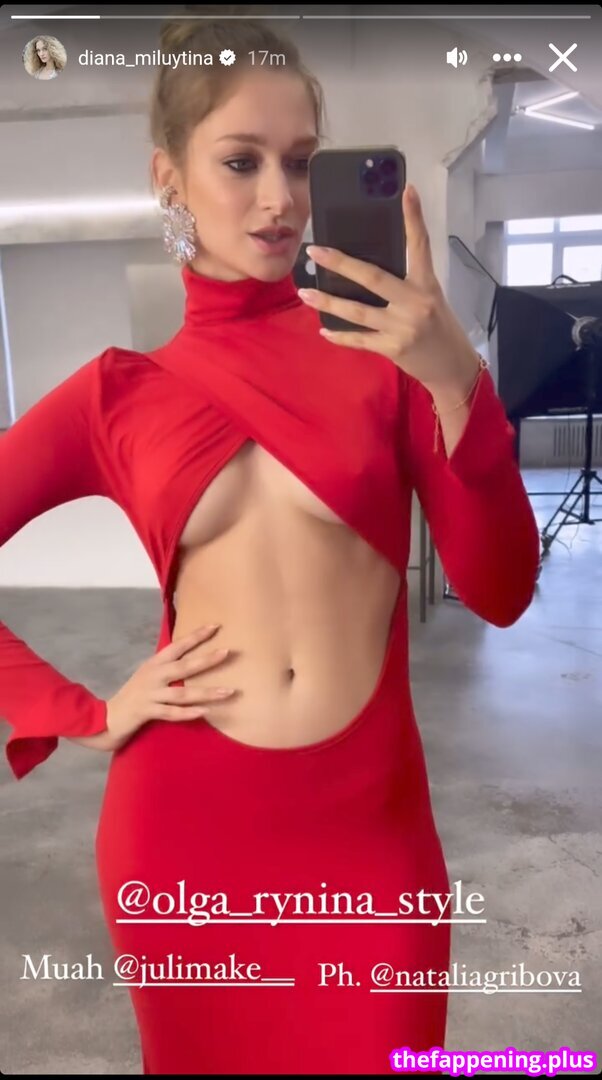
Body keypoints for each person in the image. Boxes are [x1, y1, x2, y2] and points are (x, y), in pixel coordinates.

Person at [1, 15, 541, 1077]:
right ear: (170, 178)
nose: (279, 198)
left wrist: (456, 383)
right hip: (183, 835)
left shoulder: (389, 362)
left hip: (367, 836)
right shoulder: (115, 395)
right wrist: (85, 712)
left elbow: (502, 588)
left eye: (300, 162)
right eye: (241, 162)